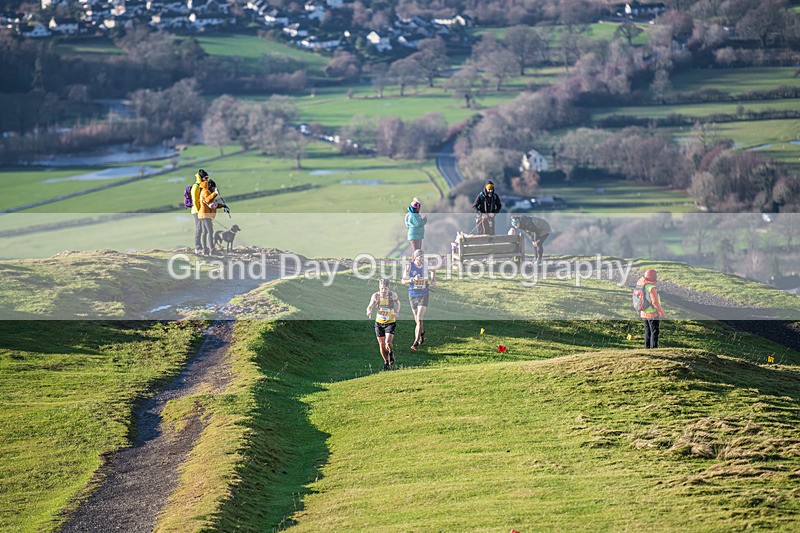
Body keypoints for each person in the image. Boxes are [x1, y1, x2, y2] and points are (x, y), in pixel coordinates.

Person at [402, 249, 435, 351]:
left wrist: (433, 279)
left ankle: (415, 343)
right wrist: (412, 279)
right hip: (412, 294)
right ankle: (421, 332)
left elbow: (433, 270)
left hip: (424, 294)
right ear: (415, 257)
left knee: (419, 318)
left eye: (423, 256)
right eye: (420, 257)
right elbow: (403, 281)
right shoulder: (409, 266)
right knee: (416, 319)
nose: (422, 258)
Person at [366, 278, 401, 370]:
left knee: (388, 343)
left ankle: (391, 353)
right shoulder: (376, 296)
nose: (383, 290)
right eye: (382, 288)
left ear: (388, 288)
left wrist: (397, 312)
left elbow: (398, 302)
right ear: (379, 287)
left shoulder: (393, 295)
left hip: (390, 322)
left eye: (385, 288)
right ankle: (387, 362)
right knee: (381, 344)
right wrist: (369, 311)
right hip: (379, 323)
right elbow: (369, 306)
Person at [636, 269, 666, 349]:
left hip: (643, 313)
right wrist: (661, 312)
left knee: (647, 332)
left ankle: (647, 348)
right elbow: (655, 303)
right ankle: (654, 349)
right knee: (654, 332)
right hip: (652, 314)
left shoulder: (642, 286)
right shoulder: (651, 288)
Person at [198, 178, 221, 255]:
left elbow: (210, 203)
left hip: (202, 214)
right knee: (210, 231)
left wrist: (221, 205)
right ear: (210, 186)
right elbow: (208, 200)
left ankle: (205, 249)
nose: (213, 189)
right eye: (213, 188)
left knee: (205, 232)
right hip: (205, 214)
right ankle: (212, 249)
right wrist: (215, 193)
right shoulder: (206, 192)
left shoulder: (204, 191)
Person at [191, 169, 209, 254]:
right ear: (201, 178)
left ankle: (203, 247)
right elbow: (195, 200)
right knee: (199, 229)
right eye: (206, 177)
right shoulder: (196, 186)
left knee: (203, 229)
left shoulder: (202, 186)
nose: (207, 179)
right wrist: (199, 212)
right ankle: (197, 247)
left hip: (201, 211)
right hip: (197, 211)